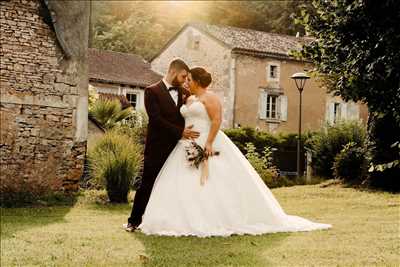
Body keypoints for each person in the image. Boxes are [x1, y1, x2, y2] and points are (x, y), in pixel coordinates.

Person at [137, 67, 331, 237]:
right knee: (180, 181)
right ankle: (174, 219)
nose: (186, 82)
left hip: (206, 141)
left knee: (211, 182)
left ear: (196, 81)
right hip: (185, 144)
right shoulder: (190, 98)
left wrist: (209, 143)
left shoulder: (210, 97)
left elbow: (216, 120)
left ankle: (213, 218)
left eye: (189, 79)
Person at [124, 59, 199, 232]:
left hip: (178, 148)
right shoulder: (152, 91)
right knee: (147, 184)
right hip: (157, 147)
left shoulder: (184, 93)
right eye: (182, 76)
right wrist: (180, 131)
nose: (184, 80)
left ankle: (169, 221)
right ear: (173, 71)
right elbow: (156, 120)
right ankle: (134, 221)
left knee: (176, 185)